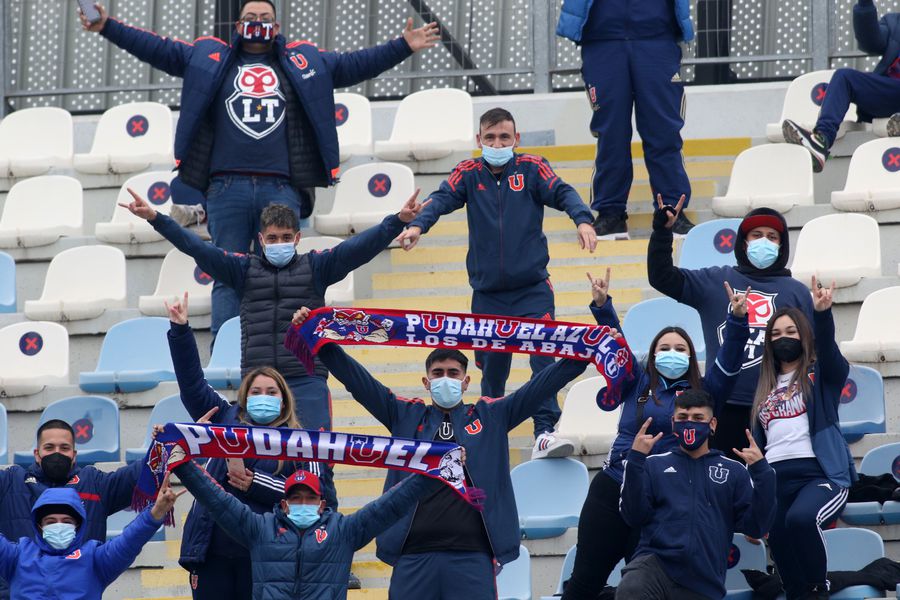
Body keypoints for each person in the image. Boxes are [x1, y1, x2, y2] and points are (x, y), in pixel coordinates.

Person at [81, 0, 440, 339]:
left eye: (265, 18)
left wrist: (403, 46)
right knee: (227, 275)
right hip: (225, 188)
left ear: (277, 26)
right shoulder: (209, 59)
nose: (258, 24)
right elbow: (156, 48)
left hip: (281, 189)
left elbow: (353, 65)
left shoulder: (303, 61)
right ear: (237, 26)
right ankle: (227, 354)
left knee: (288, 274)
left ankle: (288, 347)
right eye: (251, 18)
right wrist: (107, 25)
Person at [292, 305, 590, 600]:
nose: (444, 378)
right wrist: (320, 338)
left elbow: (541, 386)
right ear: (426, 381)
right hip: (412, 555)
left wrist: (584, 353)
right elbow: (358, 381)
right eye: (437, 373)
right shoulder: (404, 415)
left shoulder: (491, 416)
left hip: (473, 555)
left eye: (452, 373)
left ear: (465, 381)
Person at [120, 187, 430, 434]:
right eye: (272, 238)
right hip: (256, 384)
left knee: (316, 463)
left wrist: (397, 221)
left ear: (297, 238)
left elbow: (359, 248)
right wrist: (156, 218)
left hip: (306, 380)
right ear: (260, 240)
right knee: (252, 465)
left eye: (285, 238)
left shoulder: (317, 266)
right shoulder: (242, 269)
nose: (279, 243)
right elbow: (196, 248)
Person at [395, 107, 597, 459]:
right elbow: (441, 199)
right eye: (490, 137)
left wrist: (582, 220)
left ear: (516, 139)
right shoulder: (469, 173)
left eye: (504, 137)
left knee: (542, 360)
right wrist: (417, 226)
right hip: (487, 295)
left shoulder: (533, 168)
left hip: (532, 290)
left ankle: (545, 431)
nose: (497, 143)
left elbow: (562, 192)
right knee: (492, 372)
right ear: (479, 140)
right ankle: (490, 438)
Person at [561, 269, 750, 600]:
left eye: (680, 348)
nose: (672, 354)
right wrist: (603, 306)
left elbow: (730, 361)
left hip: (659, 500)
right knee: (584, 583)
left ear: (691, 356)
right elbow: (614, 346)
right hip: (611, 487)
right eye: (664, 347)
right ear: (652, 353)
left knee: (641, 587)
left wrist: (736, 319)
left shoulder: (706, 391)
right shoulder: (636, 381)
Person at [163, 293, 343, 598]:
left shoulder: (302, 441)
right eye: (256, 390)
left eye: (271, 391)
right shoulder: (225, 417)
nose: (263, 396)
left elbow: (318, 495)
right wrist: (181, 331)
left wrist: (253, 482)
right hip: (212, 552)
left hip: (268, 557)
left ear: (284, 399)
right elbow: (192, 385)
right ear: (245, 397)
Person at [647, 199, 815, 460]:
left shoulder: (798, 292)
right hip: (721, 407)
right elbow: (662, 277)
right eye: (756, 235)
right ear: (743, 242)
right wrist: (662, 232)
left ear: (782, 246)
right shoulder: (715, 280)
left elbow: (812, 353)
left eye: (772, 237)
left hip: (778, 409)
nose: (764, 242)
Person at [172, 459, 444, 600]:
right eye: (296, 497)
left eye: (310, 497)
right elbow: (217, 501)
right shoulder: (261, 528)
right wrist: (183, 466)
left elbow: (391, 505)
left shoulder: (343, 531)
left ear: (322, 503)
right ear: (284, 503)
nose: (303, 503)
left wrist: (434, 472)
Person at [616, 389, 777, 600]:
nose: (689, 423)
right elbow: (633, 515)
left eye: (698, 418)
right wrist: (635, 459)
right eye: (683, 418)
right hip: (655, 567)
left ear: (712, 425)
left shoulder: (734, 471)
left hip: (703, 580)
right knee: (631, 588)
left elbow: (757, 527)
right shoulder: (653, 465)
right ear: (673, 423)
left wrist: (762, 472)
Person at [751, 278, 855, 599]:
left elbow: (834, 360)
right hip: (776, 481)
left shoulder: (820, 375)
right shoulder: (764, 385)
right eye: (776, 334)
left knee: (802, 519)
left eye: (791, 332)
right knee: (780, 539)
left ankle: (819, 588)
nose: (784, 339)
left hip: (819, 476)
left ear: (804, 336)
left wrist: (822, 315)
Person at [556, 0, 695, 239]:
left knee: (664, 132)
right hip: (603, 40)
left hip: (656, 39)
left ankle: (672, 210)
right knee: (611, 134)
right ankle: (611, 215)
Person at [0, 420, 142, 599]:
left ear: (74, 454)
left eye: (64, 448)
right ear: (37, 454)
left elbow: (137, 475)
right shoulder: (11, 482)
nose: (57, 453)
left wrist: (161, 444)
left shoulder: (94, 483)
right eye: (49, 447)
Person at [0, 477, 180, 599]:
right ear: (39, 526)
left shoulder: (94, 559)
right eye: (51, 521)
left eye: (67, 521)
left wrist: (155, 513)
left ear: (78, 525)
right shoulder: (17, 556)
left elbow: (129, 542)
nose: (59, 525)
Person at [783, 0, 900, 172]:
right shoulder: (894, 23)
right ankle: (821, 140)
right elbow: (871, 41)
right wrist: (865, 4)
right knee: (844, 77)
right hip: (891, 92)